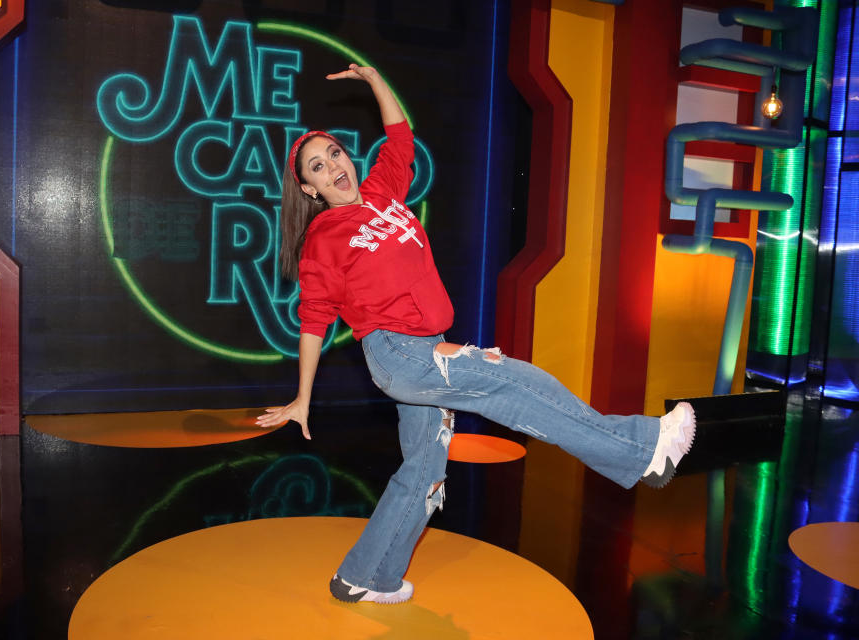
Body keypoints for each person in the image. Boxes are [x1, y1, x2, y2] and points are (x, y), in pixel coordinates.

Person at [256, 64, 696, 605]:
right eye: (318, 167)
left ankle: (366, 575)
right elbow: (314, 318)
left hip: (423, 346)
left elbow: (399, 136)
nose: (333, 167)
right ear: (310, 188)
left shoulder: (381, 192)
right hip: (400, 354)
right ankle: (641, 451)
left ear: (349, 158)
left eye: (335, 154)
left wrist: (373, 80)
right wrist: (303, 397)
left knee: (422, 469)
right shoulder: (324, 235)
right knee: (517, 384)